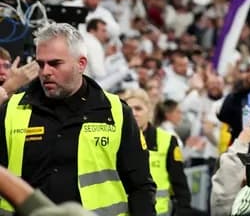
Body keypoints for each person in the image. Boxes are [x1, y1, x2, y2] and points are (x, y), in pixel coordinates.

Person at [0, 23, 157, 214]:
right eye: (40, 64)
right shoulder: (12, 109)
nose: (45, 72)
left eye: (55, 64)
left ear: (81, 64)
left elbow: (141, 186)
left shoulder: (115, 112)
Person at [120, 88, 193, 216]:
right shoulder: (116, 140)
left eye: (138, 108)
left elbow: (180, 185)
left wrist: (183, 211)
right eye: (129, 109)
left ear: (149, 111)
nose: (134, 113)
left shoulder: (167, 140)